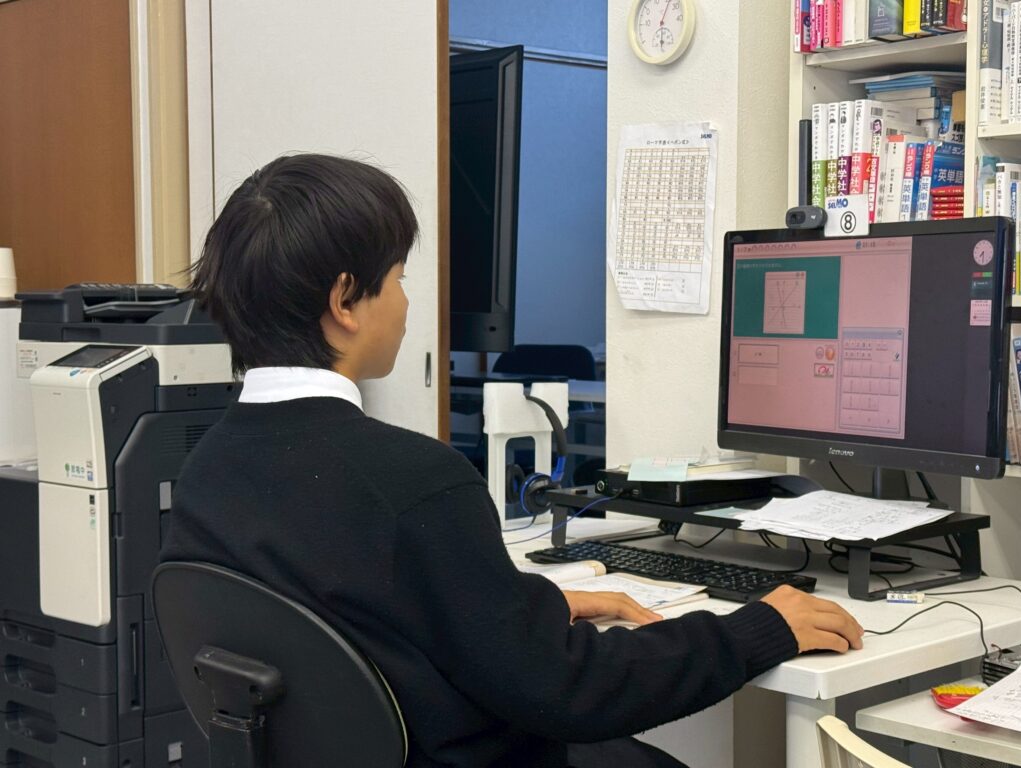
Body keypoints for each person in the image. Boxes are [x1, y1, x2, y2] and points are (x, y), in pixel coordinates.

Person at [161, 153, 864, 768]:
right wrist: (758, 629)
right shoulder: (413, 480)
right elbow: (570, 693)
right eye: (399, 278)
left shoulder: (207, 469)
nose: (405, 303)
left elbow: (370, 627)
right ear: (346, 299)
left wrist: (528, 610)